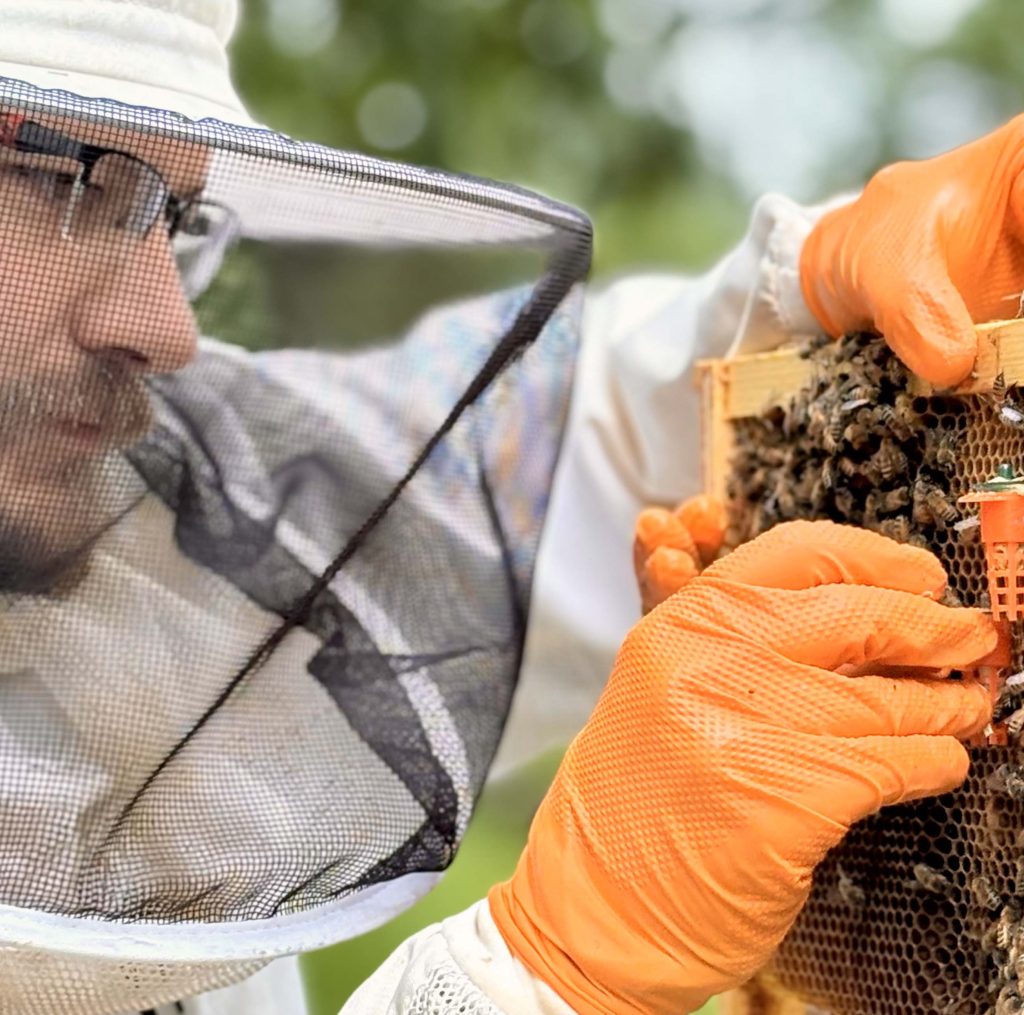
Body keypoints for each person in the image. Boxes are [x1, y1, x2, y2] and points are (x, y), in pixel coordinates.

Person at [0, 3, 1021, 1014]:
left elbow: (458, 483)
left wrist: (807, 284)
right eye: (57, 176)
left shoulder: (113, 499)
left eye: (167, 214)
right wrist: (540, 975)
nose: (164, 325)